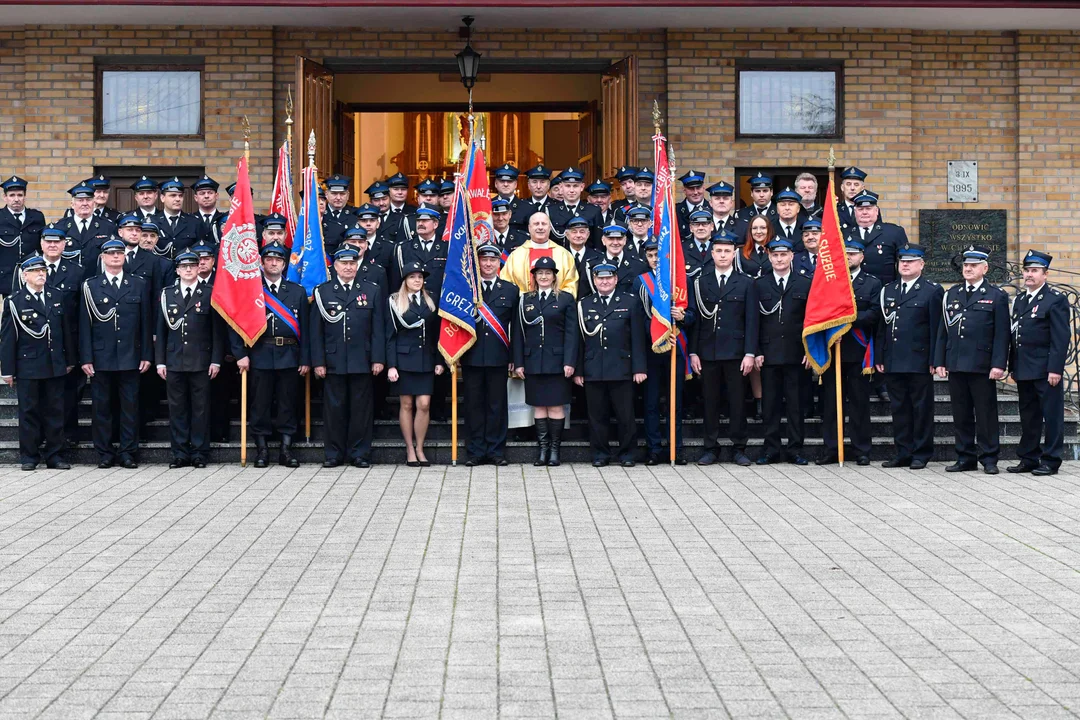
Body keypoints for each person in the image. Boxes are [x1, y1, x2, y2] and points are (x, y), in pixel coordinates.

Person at [233, 241, 310, 468]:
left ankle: (286, 449)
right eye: (269, 259)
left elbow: (306, 329)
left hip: (289, 354)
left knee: (288, 403)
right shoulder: (252, 291)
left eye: (278, 259)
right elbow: (237, 324)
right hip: (259, 354)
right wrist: (240, 353)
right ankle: (262, 449)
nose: (273, 263)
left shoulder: (297, 292)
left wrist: (306, 359)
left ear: (284, 264)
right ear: (262, 262)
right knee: (260, 404)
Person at [935, 245, 1009, 474]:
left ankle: (989, 458)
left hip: (982, 364)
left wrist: (999, 364)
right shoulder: (952, 294)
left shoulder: (996, 296)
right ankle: (965, 457)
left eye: (973, 265)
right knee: (961, 413)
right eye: (966, 265)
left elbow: (1002, 334)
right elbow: (943, 330)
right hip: (956, 362)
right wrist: (940, 360)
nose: (968, 269)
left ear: (984, 268)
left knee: (986, 413)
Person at [80, 237, 153, 469]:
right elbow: (84, 325)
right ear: (102, 257)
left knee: (130, 407)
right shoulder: (90, 286)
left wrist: (147, 355)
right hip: (101, 358)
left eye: (119, 254)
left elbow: (145, 323)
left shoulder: (138, 284)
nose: (115, 257)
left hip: (131, 356)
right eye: (110, 254)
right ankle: (104, 453)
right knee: (101, 408)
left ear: (124, 257)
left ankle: (127, 452)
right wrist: (86, 357)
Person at [311, 246, 386, 469]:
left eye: (352, 263)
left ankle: (360, 453)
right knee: (334, 410)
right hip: (333, 362)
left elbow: (378, 329)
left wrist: (378, 358)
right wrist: (318, 361)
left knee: (361, 411)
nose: (348, 267)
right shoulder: (323, 292)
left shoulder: (371, 290)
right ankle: (334, 453)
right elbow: (316, 333)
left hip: (362, 360)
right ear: (335, 267)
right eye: (344, 263)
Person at [0, 254, 76, 470]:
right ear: (25, 276)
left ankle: (55, 455)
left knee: (55, 411)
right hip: (28, 365)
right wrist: (7, 370)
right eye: (35, 271)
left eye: (43, 270)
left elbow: (65, 332)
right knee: (29, 412)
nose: (41, 274)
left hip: (54, 363)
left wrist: (69, 359)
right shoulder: (15, 301)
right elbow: (7, 338)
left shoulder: (56, 296)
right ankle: (29, 456)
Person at [690, 230, 758, 466]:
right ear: (712, 253)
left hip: (736, 354)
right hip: (708, 353)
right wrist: (693, 352)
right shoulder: (699, 282)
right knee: (710, 402)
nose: (722, 255)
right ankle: (711, 447)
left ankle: (739, 447)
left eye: (727, 251)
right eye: (718, 250)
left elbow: (751, 321)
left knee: (737, 402)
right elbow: (696, 320)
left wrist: (750, 352)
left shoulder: (746, 283)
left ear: (734, 253)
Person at [875, 243, 943, 470]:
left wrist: (936, 359)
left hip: (919, 360)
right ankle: (903, 452)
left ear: (921, 264)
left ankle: (921, 453)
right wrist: (880, 356)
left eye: (911, 261)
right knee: (899, 409)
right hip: (893, 359)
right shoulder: (889, 289)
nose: (905, 264)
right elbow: (882, 327)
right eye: (902, 260)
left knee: (921, 409)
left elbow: (937, 329)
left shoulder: (932, 291)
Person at [155, 250, 224, 469]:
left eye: (192, 266)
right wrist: (160, 361)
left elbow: (217, 332)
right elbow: (161, 331)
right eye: (184, 267)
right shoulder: (167, 294)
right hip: (174, 361)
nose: (188, 270)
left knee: (201, 408)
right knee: (177, 409)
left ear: (198, 268)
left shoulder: (210, 293)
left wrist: (216, 360)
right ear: (177, 270)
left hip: (201, 361)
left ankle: (199, 452)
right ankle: (180, 453)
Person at [817, 238, 882, 466]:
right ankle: (832, 448)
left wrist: (847, 322)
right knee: (831, 403)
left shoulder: (872, 283)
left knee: (859, 402)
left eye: (853, 254)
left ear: (861, 257)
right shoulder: (829, 281)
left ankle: (861, 449)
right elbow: (820, 311)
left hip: (858, 350)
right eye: (845, 254)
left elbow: (874, 313)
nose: (848, 258)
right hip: (832, 351)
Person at [575, 262, 647, 467]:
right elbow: (579, 341)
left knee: (626, 416)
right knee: (597, 416)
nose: (604, 281)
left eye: (608, 278)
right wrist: (578, 370)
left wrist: (639, 368)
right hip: (593, 369)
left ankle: (627, 454)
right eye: (600, 278)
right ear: (594, 280)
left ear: (616, 279)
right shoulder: (584, 304)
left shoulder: (630, 302)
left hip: (622, 368)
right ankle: (600, 454)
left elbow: (638, 338)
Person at [1009, 250, 1069, 476]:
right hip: (1024, 368)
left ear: (1045, 274)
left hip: (1045, 369)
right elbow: (1015, 337)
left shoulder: (1055, 300)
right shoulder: (1021, 300)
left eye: (1034, 271)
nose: (1029, 275)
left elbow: (1060, 338)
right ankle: (1029, 457)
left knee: (1052, 416)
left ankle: (1051, 460)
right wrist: (1012, 366)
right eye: (1026, 270)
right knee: (1029, 416)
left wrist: (1055, 368)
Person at [513, 256, 578, 466]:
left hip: (558, 362)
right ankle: (542, 450)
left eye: (547, 273)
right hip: (533, 361)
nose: (543, 276)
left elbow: (572, 333)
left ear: (554, 276)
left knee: (556, 407)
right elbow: (518, 333)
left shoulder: (566, 299)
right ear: (534, 276)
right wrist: (519, 362)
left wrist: (570, 361)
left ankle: (554, 451)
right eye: (539, 273)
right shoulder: (525, 299)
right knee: (539, 406)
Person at [635, 240, 694, 465]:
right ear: (646, 258)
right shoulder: (640, 283)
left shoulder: (681, 281)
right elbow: (638, 318)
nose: (655, 259)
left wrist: (682, 318)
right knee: (650, 404)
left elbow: (693, 316)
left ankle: (675, 449)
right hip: (652, 351)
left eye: (659, 255)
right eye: (651, 255)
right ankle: (654, 450)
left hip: (676, 350)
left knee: (674, 403)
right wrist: (656, 335)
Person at [753, 237, 811, 465]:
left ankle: (795, 449)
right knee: (770, 406)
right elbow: (753, 321)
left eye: (783, 255)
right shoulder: (759, 284)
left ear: (791, 256)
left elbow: (811, 320)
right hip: (768, 354)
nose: (779, 259)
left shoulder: (805, 283)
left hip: (797, 354)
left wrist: (811, 350)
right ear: (769, 256)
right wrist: (755, 350)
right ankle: (771, 450)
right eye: (775, 255)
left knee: (796, 406)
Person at [461, 244, 519, 466]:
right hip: (471, 356)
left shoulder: (511, 290)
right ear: (477, 263)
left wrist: (515, 357)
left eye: (492, 260)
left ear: (499, 263)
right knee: (474, 406)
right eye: (483, 260)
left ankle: (496, 451)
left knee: (497, 406)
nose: (487, 264)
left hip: (499, 357)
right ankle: (475, 451)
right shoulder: (467, 290)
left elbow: (516, 329)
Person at [387, 261, 444, 466]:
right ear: (405, 280)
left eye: (420, 277)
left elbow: (437, 334)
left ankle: (420, 448)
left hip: (426, 360)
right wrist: (391, 365)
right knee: (407, 404)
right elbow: (390, 336)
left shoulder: (431, 301)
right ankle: (409, 448)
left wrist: (439, 360)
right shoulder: (395, 301)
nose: (417, 280)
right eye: (412, 277)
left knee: (424, 404)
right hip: (404, 360)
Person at [500, 212, 579, 297]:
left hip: (557, 307)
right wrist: (526, 299)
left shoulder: (564, 255)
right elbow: (507, 285)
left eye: (544, 224)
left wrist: (555, 302)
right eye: (536, 224)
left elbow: (571, 285)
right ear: (529, 228)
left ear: (550, 228)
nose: (540, 227)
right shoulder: (516, 256)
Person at [55, 182, 116, 274]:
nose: (85, 204)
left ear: (93, 203)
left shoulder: (107, 226)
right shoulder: (60, 227)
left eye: (88, 200)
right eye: (80, 200)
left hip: (97, 282)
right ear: (72, 204)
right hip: (68, 281)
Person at [1, 176, 46, 299]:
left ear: (25, 196)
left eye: (20, 195)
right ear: (5, 197)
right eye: (12, 195)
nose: (16, 199)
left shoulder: (37, 217)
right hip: (7, 276)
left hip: (33, 273)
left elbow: (42, 246)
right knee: (11, 311)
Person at [847, 190, 905, 286]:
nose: (864, 212)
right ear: (855, 212)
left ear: (876, 211)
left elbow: (903, 263)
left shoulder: (894, 232)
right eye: (860, 209)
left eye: (868, 209)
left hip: (884, 289)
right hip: (853, 290)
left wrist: (897, 289)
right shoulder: (843, 234)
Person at [591, 224, 646, 292]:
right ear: (603, 240)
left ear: (625, 240)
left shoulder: (638, 265)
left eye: (619, 238)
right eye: (610, 239)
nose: (615, 243)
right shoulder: (593, 264)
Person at [510, 164, 555, 231]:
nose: (538, 186)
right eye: (534, 182)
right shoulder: (520, 206)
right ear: (528, 185)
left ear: (548, 185)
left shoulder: (556, 206)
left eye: (542, 182)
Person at [737, 214, 775, 279]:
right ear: (750, 231)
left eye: (763, 228)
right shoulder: (740, 252)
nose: (758, 231)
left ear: (769, 230)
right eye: (754, 228)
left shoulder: (776, 250)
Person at [193, 175, 225, 246]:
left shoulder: (225, 219)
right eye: (202, 193)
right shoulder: (189, 220)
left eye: (210, 193)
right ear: (196, 198)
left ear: (216, 196)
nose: (206, 196)